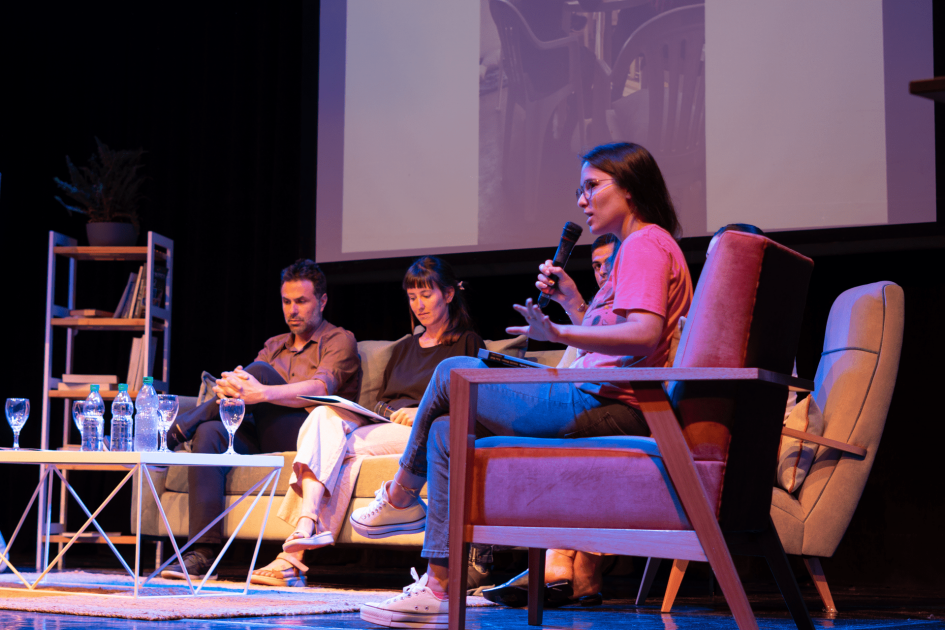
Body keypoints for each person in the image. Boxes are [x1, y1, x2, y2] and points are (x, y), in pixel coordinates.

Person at [353, 142, 693, 628]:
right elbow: (615, 339)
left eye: (592, 186)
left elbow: (645, 335)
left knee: (454, 372)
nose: (582, 200)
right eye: (580, 189)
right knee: (448, 430)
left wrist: (557, 333)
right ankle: (438, 586)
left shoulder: (643, 244)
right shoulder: (638, 248)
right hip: (599, 393)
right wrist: (576, 305)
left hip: (610, 403)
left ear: (632, 188)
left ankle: (402, 496)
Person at [248, 256, 485, 588]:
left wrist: (421, 413)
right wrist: (387, 413)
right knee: (323, 416)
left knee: (336, 448)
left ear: (447, 295)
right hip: (388, 428)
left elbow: (476, 401)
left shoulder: (467, 343)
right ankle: (304, 530)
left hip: (429, 430)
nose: (419, 305)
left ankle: (294, 554)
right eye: (412, 297)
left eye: (426, 295)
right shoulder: (403, 348)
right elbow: (384, 402)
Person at [161, 259, 362, 580]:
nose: (292, 310)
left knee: (259, 373)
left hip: (312, 437)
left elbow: (320, 389)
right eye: (286, 302)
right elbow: (244, 389)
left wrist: (260, 392)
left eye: (301, 301)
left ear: (322, 301)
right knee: (211, 432)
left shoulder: (339, 340)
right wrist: (234, 387)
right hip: (264, 433)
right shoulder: (275, 344)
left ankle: (178, 428)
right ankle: (202, 553)